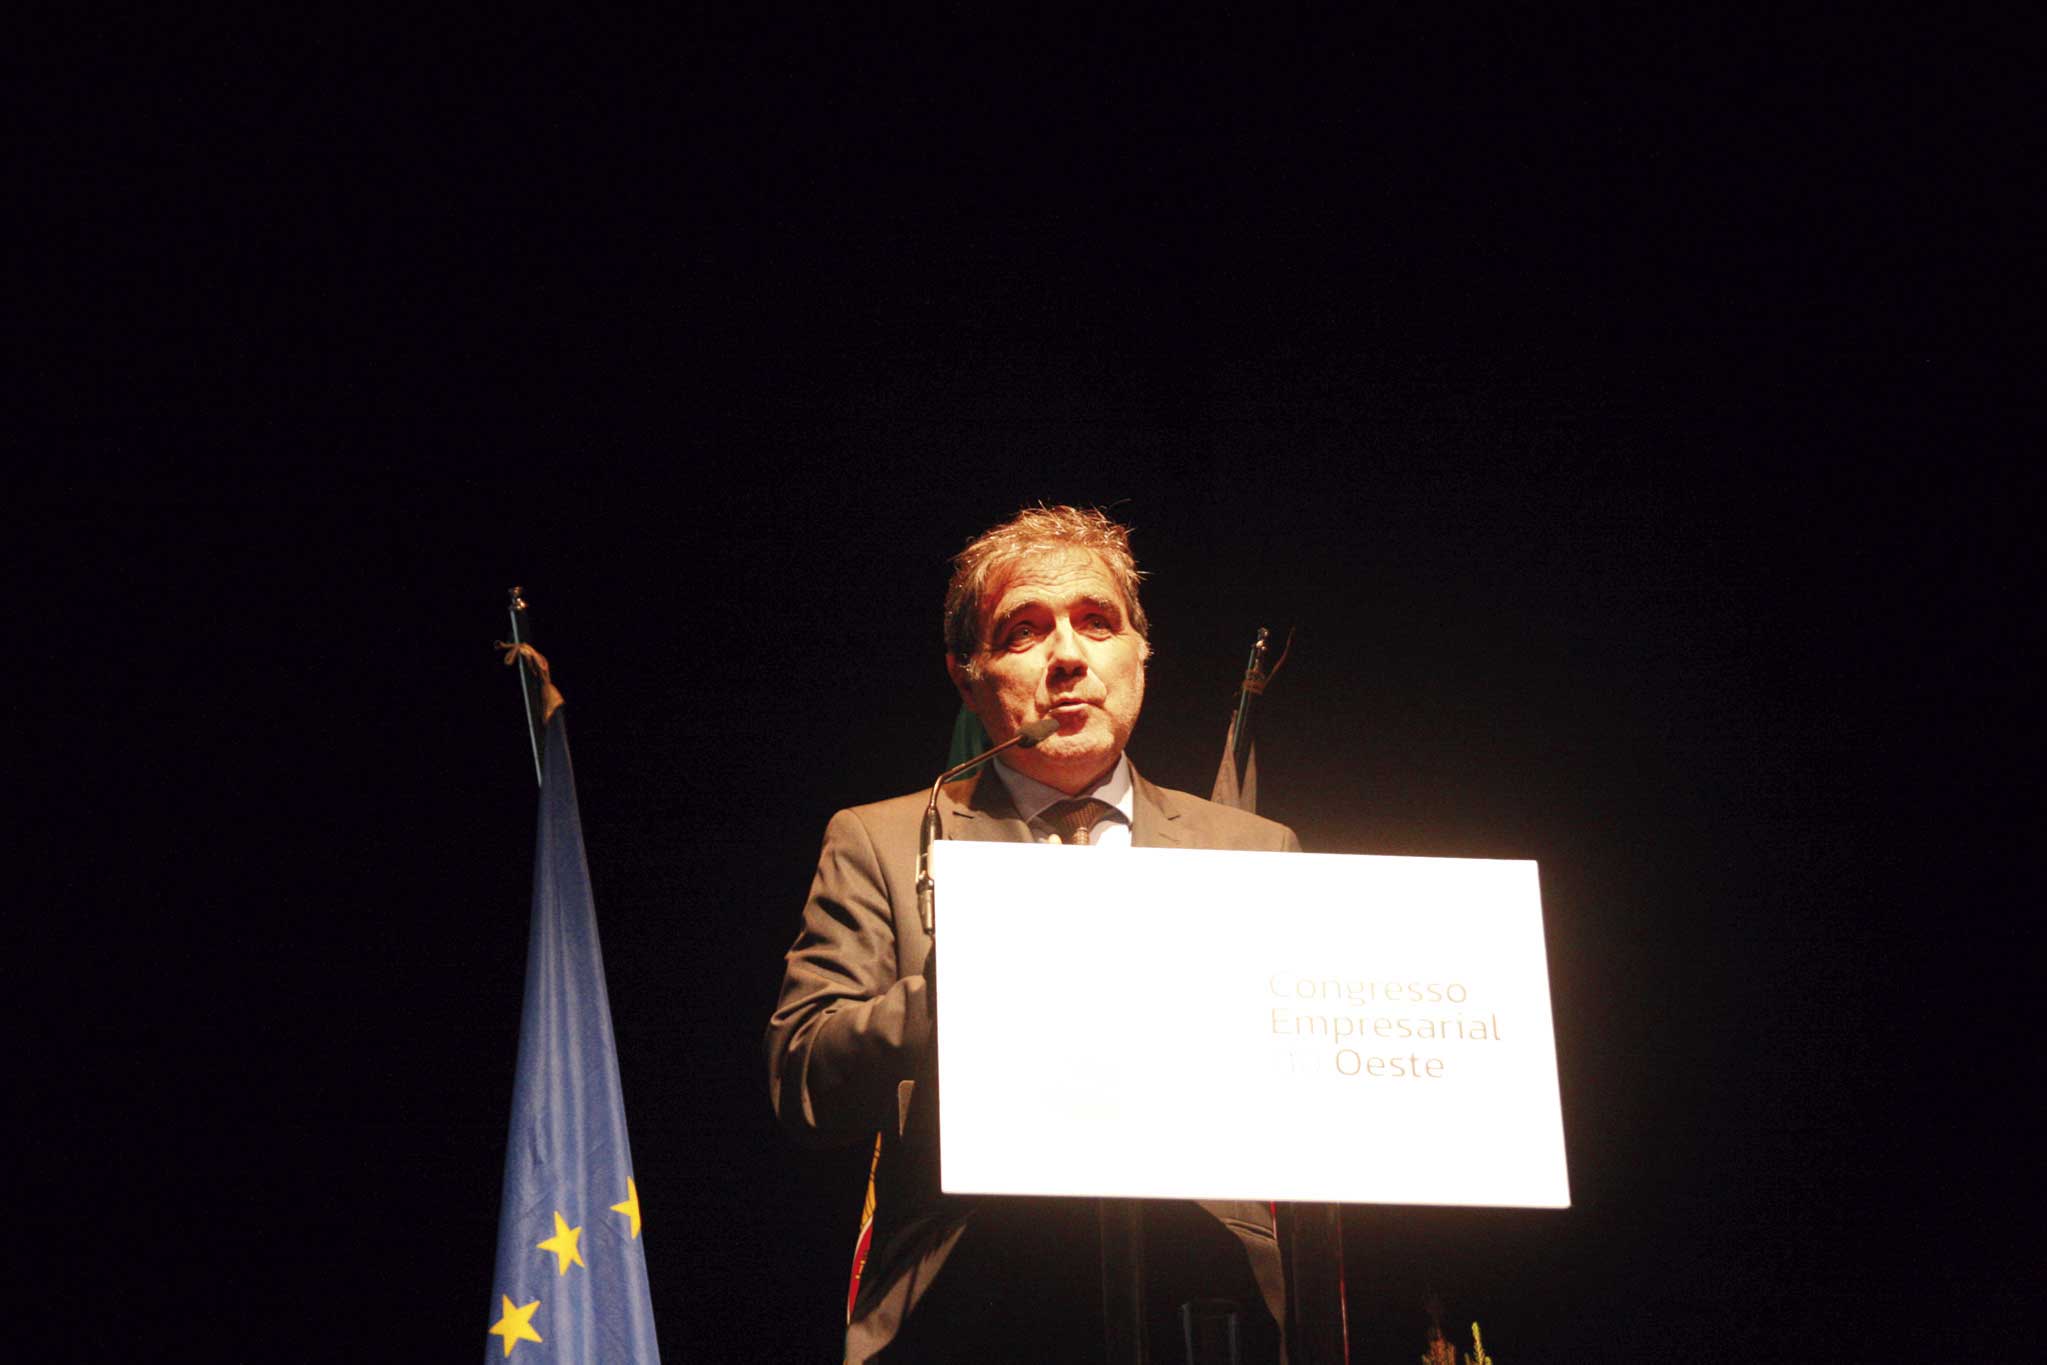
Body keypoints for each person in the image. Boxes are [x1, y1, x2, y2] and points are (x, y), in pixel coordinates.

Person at [767, 506, 1301, 1364]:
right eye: (1024, 631)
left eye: (1098, 622)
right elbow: (804, 1080)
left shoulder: (1252, 849)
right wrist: (955, 992)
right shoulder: (881, 840)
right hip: (963, 1312)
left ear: (1140, 653)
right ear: (967, 675)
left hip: (1203, 1303)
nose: (1067, 656)